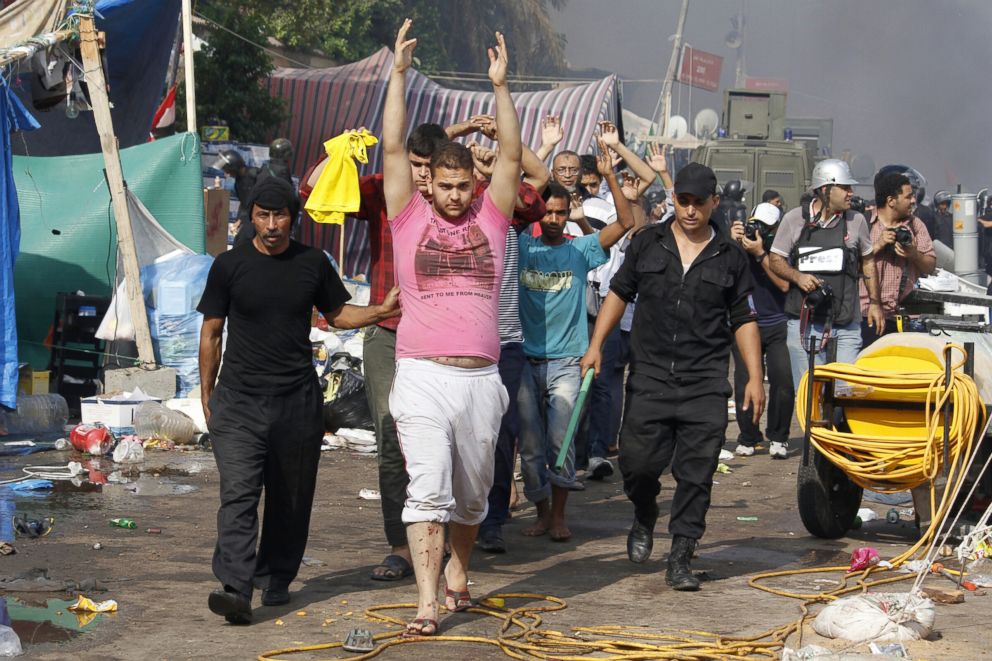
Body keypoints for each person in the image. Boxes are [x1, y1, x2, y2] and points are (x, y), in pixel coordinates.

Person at [198, 177, 400, 625]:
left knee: (291, 497)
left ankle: (277, 577)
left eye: (280, 215)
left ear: (294, 217)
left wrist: (380, 312)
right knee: (239, 493)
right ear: (250, 216)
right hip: (240, 401)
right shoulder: (229, 266)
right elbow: (211, 332)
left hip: (296, 401)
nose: (271, 225)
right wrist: (207, 393)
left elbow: (338, 315)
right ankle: (235, 586)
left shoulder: (312, 263)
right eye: (263, 216)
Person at [382, 20, 521, 636]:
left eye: (466, 185)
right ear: (428, 184)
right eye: (446, 186)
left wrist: (500, 86)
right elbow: (390, 150)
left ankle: (458, 572)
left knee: (473, 497)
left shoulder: (493, 219)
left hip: (482, 380)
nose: (457, 195)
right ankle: (426, 601)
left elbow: (513, 156)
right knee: (428, 488)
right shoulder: (407, 218)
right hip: (420, 377)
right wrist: (398, 75)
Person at [580, 162, 765, 591]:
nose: (690, 210)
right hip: (650, 376)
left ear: (714, 202)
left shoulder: (731, 257)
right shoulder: (648, 244)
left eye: (700, 202)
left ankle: (681, 554)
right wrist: (596, 347)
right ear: (674, 199)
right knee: (638, 464)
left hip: (704, 381)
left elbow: (743, 318)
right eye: (683, 200)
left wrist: (754, 377)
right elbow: (619, 293)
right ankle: (644, 512)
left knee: (697, 472)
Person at [516, 142, 634, 539]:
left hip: (568, 362)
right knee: (531, 449)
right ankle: (541, 511)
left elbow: (625, 222)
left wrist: (612, 176)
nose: (552, 218)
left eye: (560, 213)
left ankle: (560, 516)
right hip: (525, 362)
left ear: (569, 216)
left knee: (560, 443)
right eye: (546, 211)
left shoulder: (580, 250)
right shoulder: (521, 246)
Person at [768, 158, 885, 392]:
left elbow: (868, 260)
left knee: (846, 391)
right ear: (825, 190)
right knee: (809, 393)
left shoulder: (857, 221)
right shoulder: (795, 219)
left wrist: (874, 302)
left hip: (846, 322)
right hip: (804, 323)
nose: (851, 193)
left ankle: (840, 428)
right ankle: (814, 430)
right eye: (845, 187)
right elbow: (775, 259)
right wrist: (798, 277)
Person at [728, 202, 795, 459]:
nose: (758, 231)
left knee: (783, 381)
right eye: (755, 224)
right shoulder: (739, 245)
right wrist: (732, 241)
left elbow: (784, 285)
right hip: (747, 324)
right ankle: (748, 436)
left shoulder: (781, 248)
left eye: (765, 228)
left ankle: (779, 437)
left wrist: (760, 254)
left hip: (778, 323)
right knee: (745, 381)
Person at [858, 172, 936, 346]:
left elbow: (930, 266)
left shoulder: (916, 226)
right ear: (891, 201)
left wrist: (914, 254)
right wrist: (877, 245)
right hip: (866, 315)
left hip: (904, 319)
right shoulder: (863, 223)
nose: (914, 201)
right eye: (908, 196)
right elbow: (849, 266)